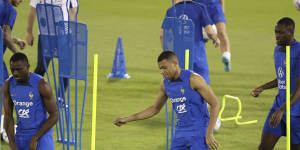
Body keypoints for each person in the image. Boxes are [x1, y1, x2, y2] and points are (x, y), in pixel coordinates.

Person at [114, 51, 220, 150]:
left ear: (175, 63)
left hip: (199, 132)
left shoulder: (193, 79)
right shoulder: (165, 85)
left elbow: (215, 104)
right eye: (160, 69)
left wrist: (209, 133)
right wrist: (127, 119)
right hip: (180, 132)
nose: (162, 72)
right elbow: (154, 108)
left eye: (165, 68)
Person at [251, 17, 300, 150]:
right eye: (275, 32)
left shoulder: (299, 51)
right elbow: (283, 78)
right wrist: (262, 87)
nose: (276, 36)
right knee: (264, 147)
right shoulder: (277, 50)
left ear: (291, 32)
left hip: (296, 113)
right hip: (278, 107)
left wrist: (283, 110)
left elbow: (299, 88)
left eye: (280, 33)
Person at [4, 52, 58, 150]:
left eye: (19, 69)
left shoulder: (41, 85)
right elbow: (8, 116)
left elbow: (55, 115)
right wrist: (11, 142)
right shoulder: (8, 84)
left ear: (28, 67)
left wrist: (35, 138)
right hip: (21, 136)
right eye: (13, 69)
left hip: (41, 135)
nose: (15, 73)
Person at [160, 0, 219, 85]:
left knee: (179, 88)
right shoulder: (200, 8)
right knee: (203, 87)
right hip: (197, 56)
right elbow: (209, 32)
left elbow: (162, 35)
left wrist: (167, 52)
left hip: (178, 57)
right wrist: (216, 39)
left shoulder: (171, 11)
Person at [26, 0, 78, 92]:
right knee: (42, 66)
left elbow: (73, 12)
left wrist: (74, 33)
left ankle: (60, 98)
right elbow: (32, 12)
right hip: (45, 35)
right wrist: (29, 32)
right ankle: (31, 93)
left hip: (64, 35)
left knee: (65, 68)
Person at [0, 0, 26, 143]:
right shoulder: (10, 10)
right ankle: (4, 131)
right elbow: (5, 36)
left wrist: (15, 40)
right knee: (6, 91)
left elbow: (3, 34)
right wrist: (18, 56)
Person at [194, 0, 231, 72]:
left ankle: (226, 56)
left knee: (221, 32)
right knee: (200, 38)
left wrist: (222, 8)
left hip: (214, 6)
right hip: (198, 7)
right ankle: (199, 63)